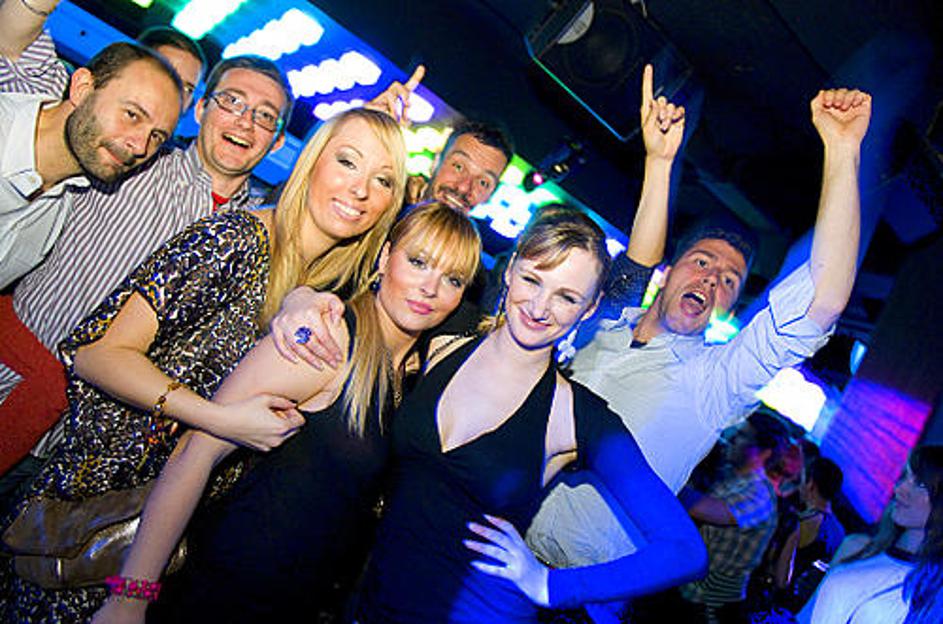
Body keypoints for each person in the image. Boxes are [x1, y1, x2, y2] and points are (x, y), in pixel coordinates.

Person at [1, 106, 407, 622]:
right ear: (312, 161)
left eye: (383, 180)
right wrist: (216, 418)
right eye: (347, 161)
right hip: (93, 518)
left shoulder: (329, 295)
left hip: (174, 546)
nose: (360, 189)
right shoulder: (232, 240)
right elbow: (95, 352)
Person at [526, 87, 872, 574]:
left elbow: (823, 300)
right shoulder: (607, 323)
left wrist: (843, 150)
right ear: (670, 273)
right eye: (702, 262)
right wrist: (660, 162)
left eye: (729, 281)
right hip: (491, 531)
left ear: (727, 305)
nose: (712, 279)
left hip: (570, 589)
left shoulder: (714, 382)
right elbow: (638, 262)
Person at [87, 202, 480, 624]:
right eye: (418, 262)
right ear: (385, 257)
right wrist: (130, 598)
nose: (430, 288)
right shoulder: (326, 339)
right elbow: (195, 452)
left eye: (452, 279)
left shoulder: (409, 378)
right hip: (220, 596)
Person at [353, 205, 707, 623]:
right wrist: (303, 302)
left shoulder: (574, 416)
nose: (540, 307)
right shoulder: (444, 340)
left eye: (567, 297)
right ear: (510, 269)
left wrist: (553, 585)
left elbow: (684, 551)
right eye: (532, 280)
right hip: (369, 599)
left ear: (589, 309)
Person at [0, 51, 294, 489]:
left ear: (277, 141)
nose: (245, 121)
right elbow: (28, 72)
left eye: (264, 116)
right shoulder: (130, 157)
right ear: (201, 109)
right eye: (232, 101)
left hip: (91, 464)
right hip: (11, 389)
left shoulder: (261, 236)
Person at [0, 39, 182, 288]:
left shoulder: (61, 208)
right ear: (82, 88)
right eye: (132, 115)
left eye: (157, 136)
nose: (140, 147)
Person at [797, 446, 943, 624]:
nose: (899, 488)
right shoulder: (857, 547)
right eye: (905, 476)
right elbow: (807, 614)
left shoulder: (930, 590)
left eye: (920, 484)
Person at [677, 413, 789, 623]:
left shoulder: (759, 494)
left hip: (709, 606)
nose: (732, 439)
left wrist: (670, 478)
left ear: (764, 453)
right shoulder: (730, 472)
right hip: (689, 589)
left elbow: (703, 509)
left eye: (742, 435)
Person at [771, 457, 845, 614]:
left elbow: (781, 578)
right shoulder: (839, 530)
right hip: (808, 608)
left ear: (811, 485)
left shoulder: (804, 523)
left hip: (781, 604)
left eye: (802, 479)